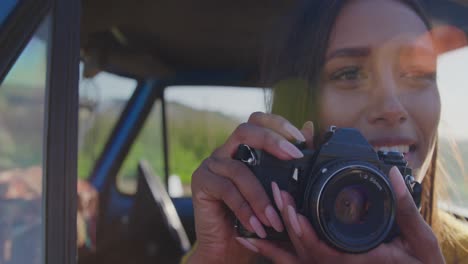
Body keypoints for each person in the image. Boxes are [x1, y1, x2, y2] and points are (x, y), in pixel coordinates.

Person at [185, 0, 468, 263]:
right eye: (349, 74)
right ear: (298, 104)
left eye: (418, 73)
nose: (392, 107)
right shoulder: (245, 244)